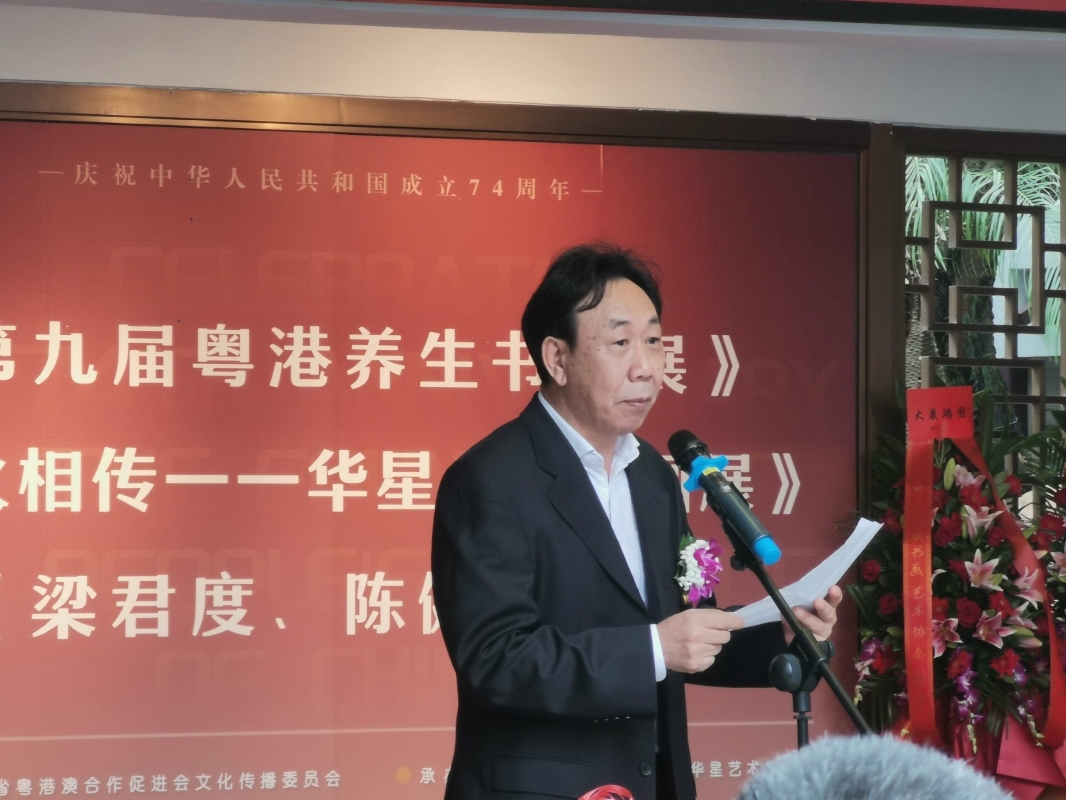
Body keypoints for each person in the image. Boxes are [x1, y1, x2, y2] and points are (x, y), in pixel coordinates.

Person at [431, 243, 842, 800]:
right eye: (620, 343)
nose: (646, 367)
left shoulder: (652, 474)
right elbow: (495, 660)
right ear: (557, 358)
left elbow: (685, 630)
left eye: (654, 341)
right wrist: (652, 650)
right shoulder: (490, 479)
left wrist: (782, 631)